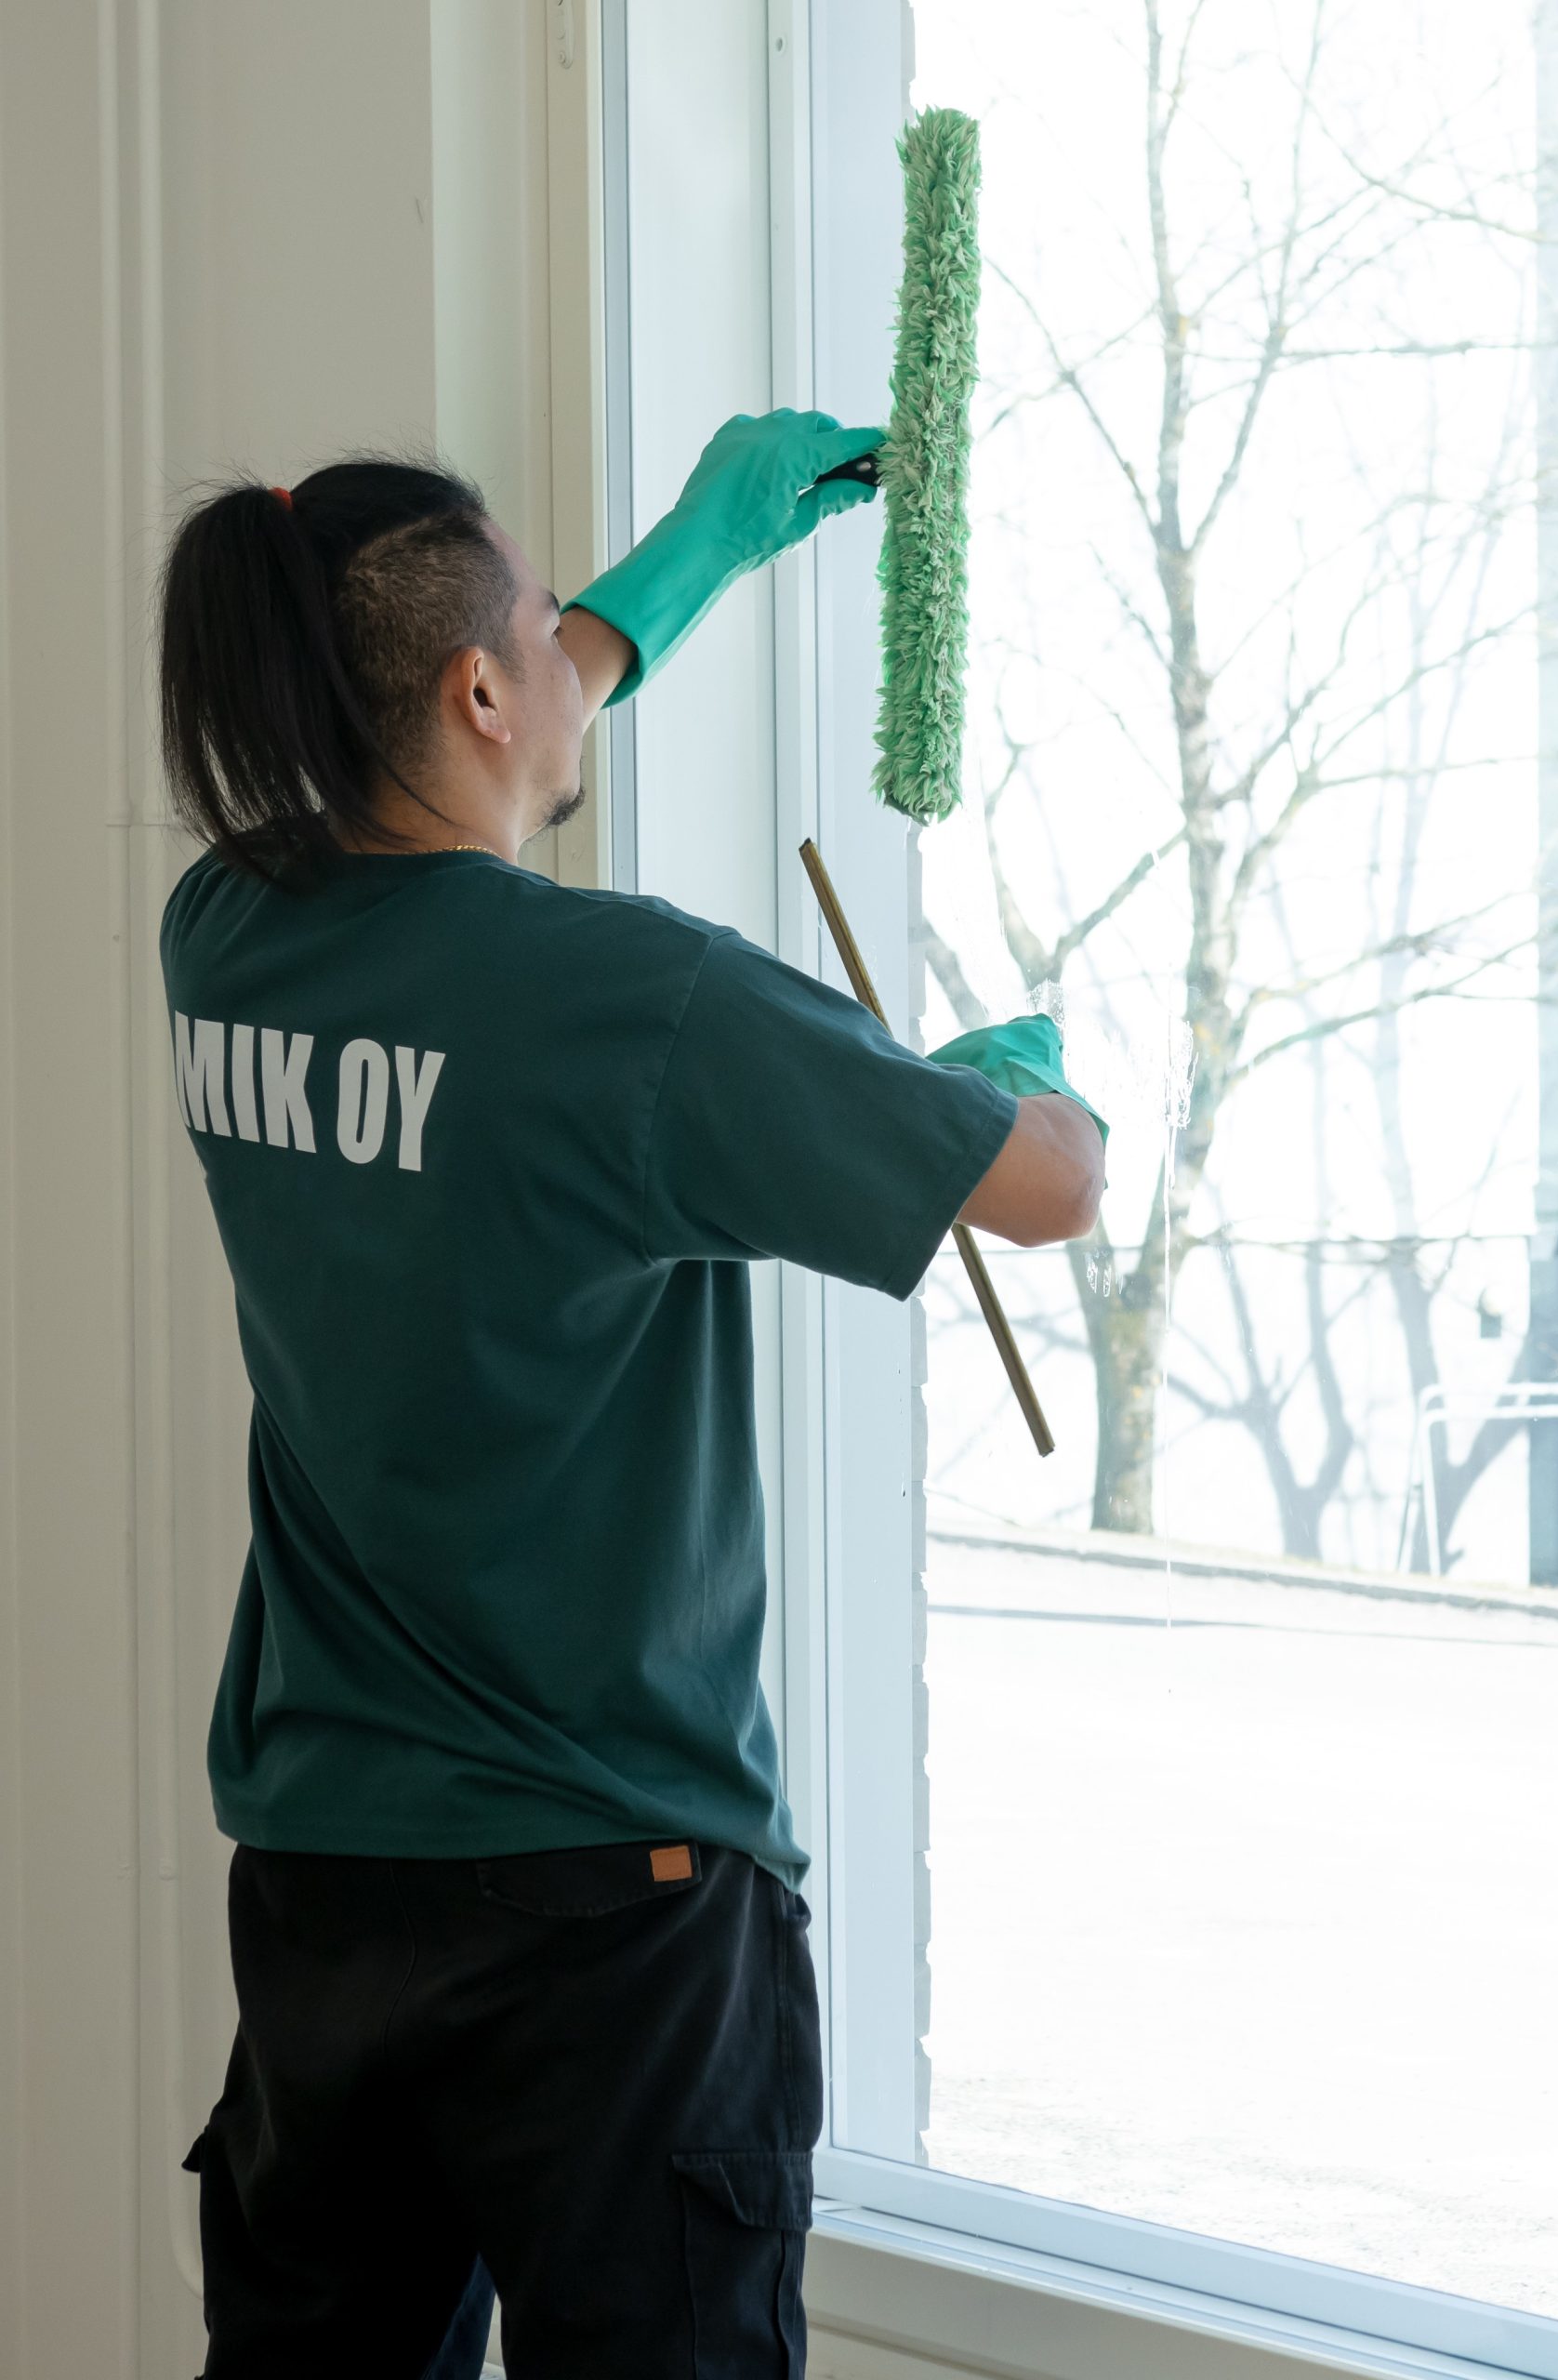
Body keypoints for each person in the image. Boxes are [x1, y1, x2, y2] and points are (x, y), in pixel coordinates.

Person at [155, 412, 1106, 2379]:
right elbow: (1049, 1190)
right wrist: (1021, 1075)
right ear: (475, 687)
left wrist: (692, 557)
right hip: (612, 1908)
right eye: (533, 616)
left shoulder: (225, 939)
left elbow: (510, 718)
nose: (562, 647)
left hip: (330, 1884)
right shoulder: (636, 1002)